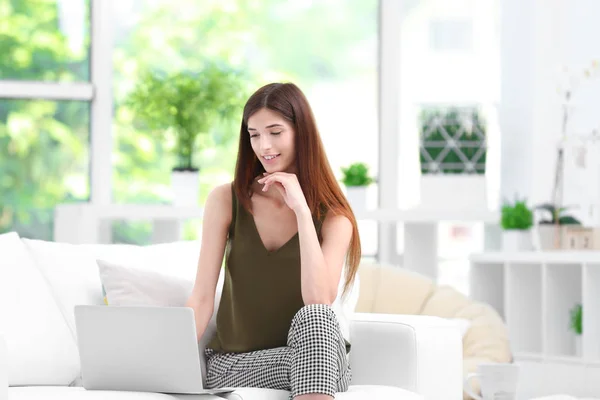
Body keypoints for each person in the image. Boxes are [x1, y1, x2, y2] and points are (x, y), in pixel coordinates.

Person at [184, 82, 362, 400]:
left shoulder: (335, 217)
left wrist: (302, 212)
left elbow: (319, 299)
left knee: (317, 318)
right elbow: (200, 300)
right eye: (254, 134)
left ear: (301, 132)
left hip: (318, 353)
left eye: (275, 132)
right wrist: (167, 362)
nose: (264, 145)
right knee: (312, 363)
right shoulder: (226, 199)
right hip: (236, 363)